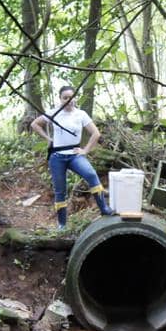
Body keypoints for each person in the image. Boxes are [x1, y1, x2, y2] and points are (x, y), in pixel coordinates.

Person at [30, 86, 113, 228]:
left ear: (75, 97)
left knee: (91, 174)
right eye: (65, 97)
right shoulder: (53, 113)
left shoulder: (81, 114)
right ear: (60, 99)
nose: (69, 100)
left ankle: (104, 209)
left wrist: (85, 150)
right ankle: (62, 224)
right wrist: (48, 139)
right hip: (57, 156)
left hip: (74, 155)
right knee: (60, 190)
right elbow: (35, 124)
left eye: (71, 97)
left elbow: (96, 134)